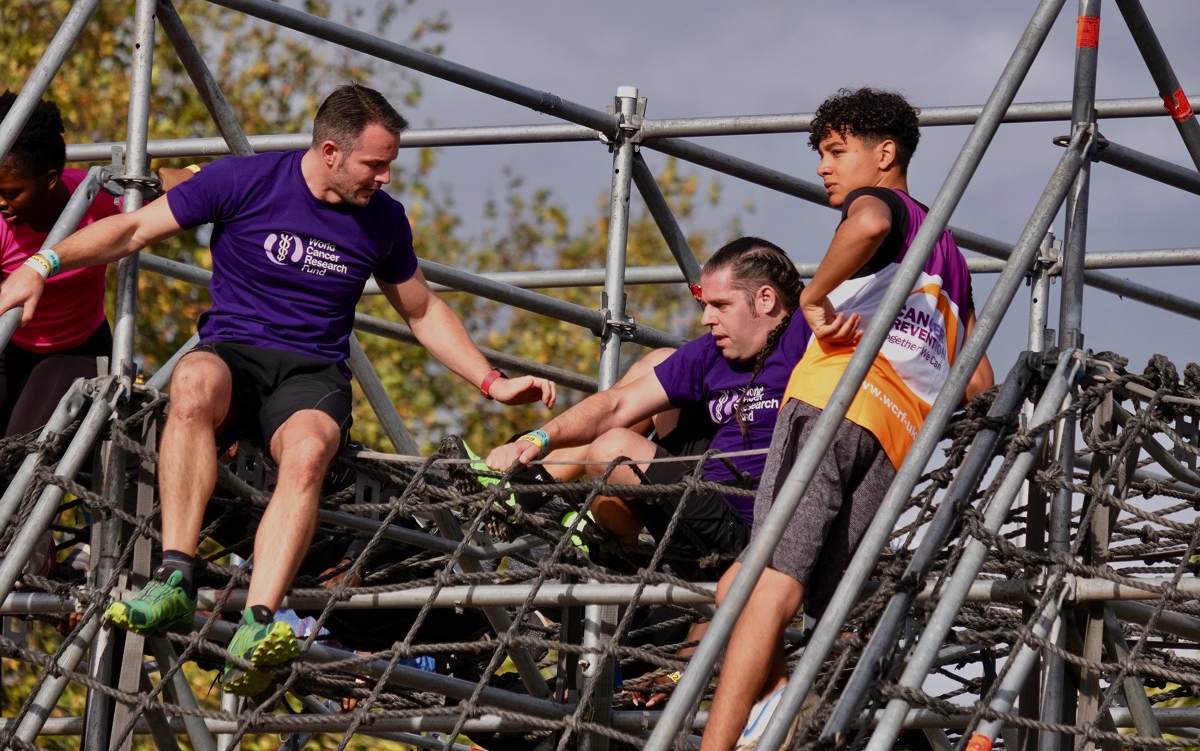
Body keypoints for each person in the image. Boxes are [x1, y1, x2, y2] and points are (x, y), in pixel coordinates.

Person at [0, 83, 556, 698]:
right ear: (330, 151)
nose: (385, 176)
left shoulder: (383, 219)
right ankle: (175, 577)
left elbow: (421, 311)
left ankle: (260, 621)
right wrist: (41, 266)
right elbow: (130, 231)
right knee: (189, 382)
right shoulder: (243, 181)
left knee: (312, 448)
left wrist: (492, 381)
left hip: (311, 374)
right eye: (375, 163)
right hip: (233, 356)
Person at [701, 88, 995, 750]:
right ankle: (780, 700)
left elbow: (864, 225)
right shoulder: (947, 254)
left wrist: (811, 294)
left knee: (761, 587)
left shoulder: (885, 206)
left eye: (837, 151)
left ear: (884, 153)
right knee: (816, 599)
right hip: (894, 439)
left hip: (834, 404)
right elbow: (978, 381)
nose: (823, 168)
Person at [487, 236, 811, 582]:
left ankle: (606, 541)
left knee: (612, 450)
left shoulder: (806, 333)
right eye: (705, 304)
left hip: (750, 533)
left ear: (766, 298)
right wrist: (538, 439)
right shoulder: (712, 353)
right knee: (659, 362)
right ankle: (534, 483)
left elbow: (865, 243)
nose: (706, 318)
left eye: (721, 305)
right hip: (696, 501)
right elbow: (617, 404)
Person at [0, 92, 121, 442]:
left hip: (77, 349)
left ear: (50, 179)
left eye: (12, 192)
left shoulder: (97, 197)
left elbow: (177, 191)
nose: (1, 202)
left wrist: (187, 171)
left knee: (16, 460)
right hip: (10, 345)